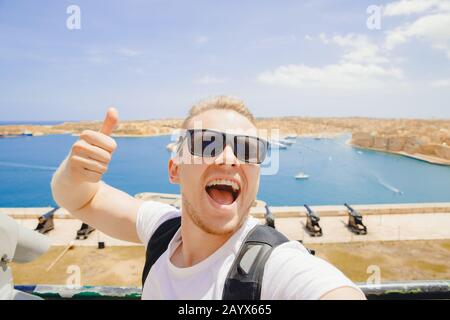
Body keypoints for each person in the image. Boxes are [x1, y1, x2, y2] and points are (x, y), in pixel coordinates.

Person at [51, 96, 366, 300]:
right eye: (207, 144)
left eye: (248, 149)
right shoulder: (162, 231)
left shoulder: (272, 265)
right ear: (174, 170)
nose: (229, 159)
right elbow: (81, 199)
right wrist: (75, 171)